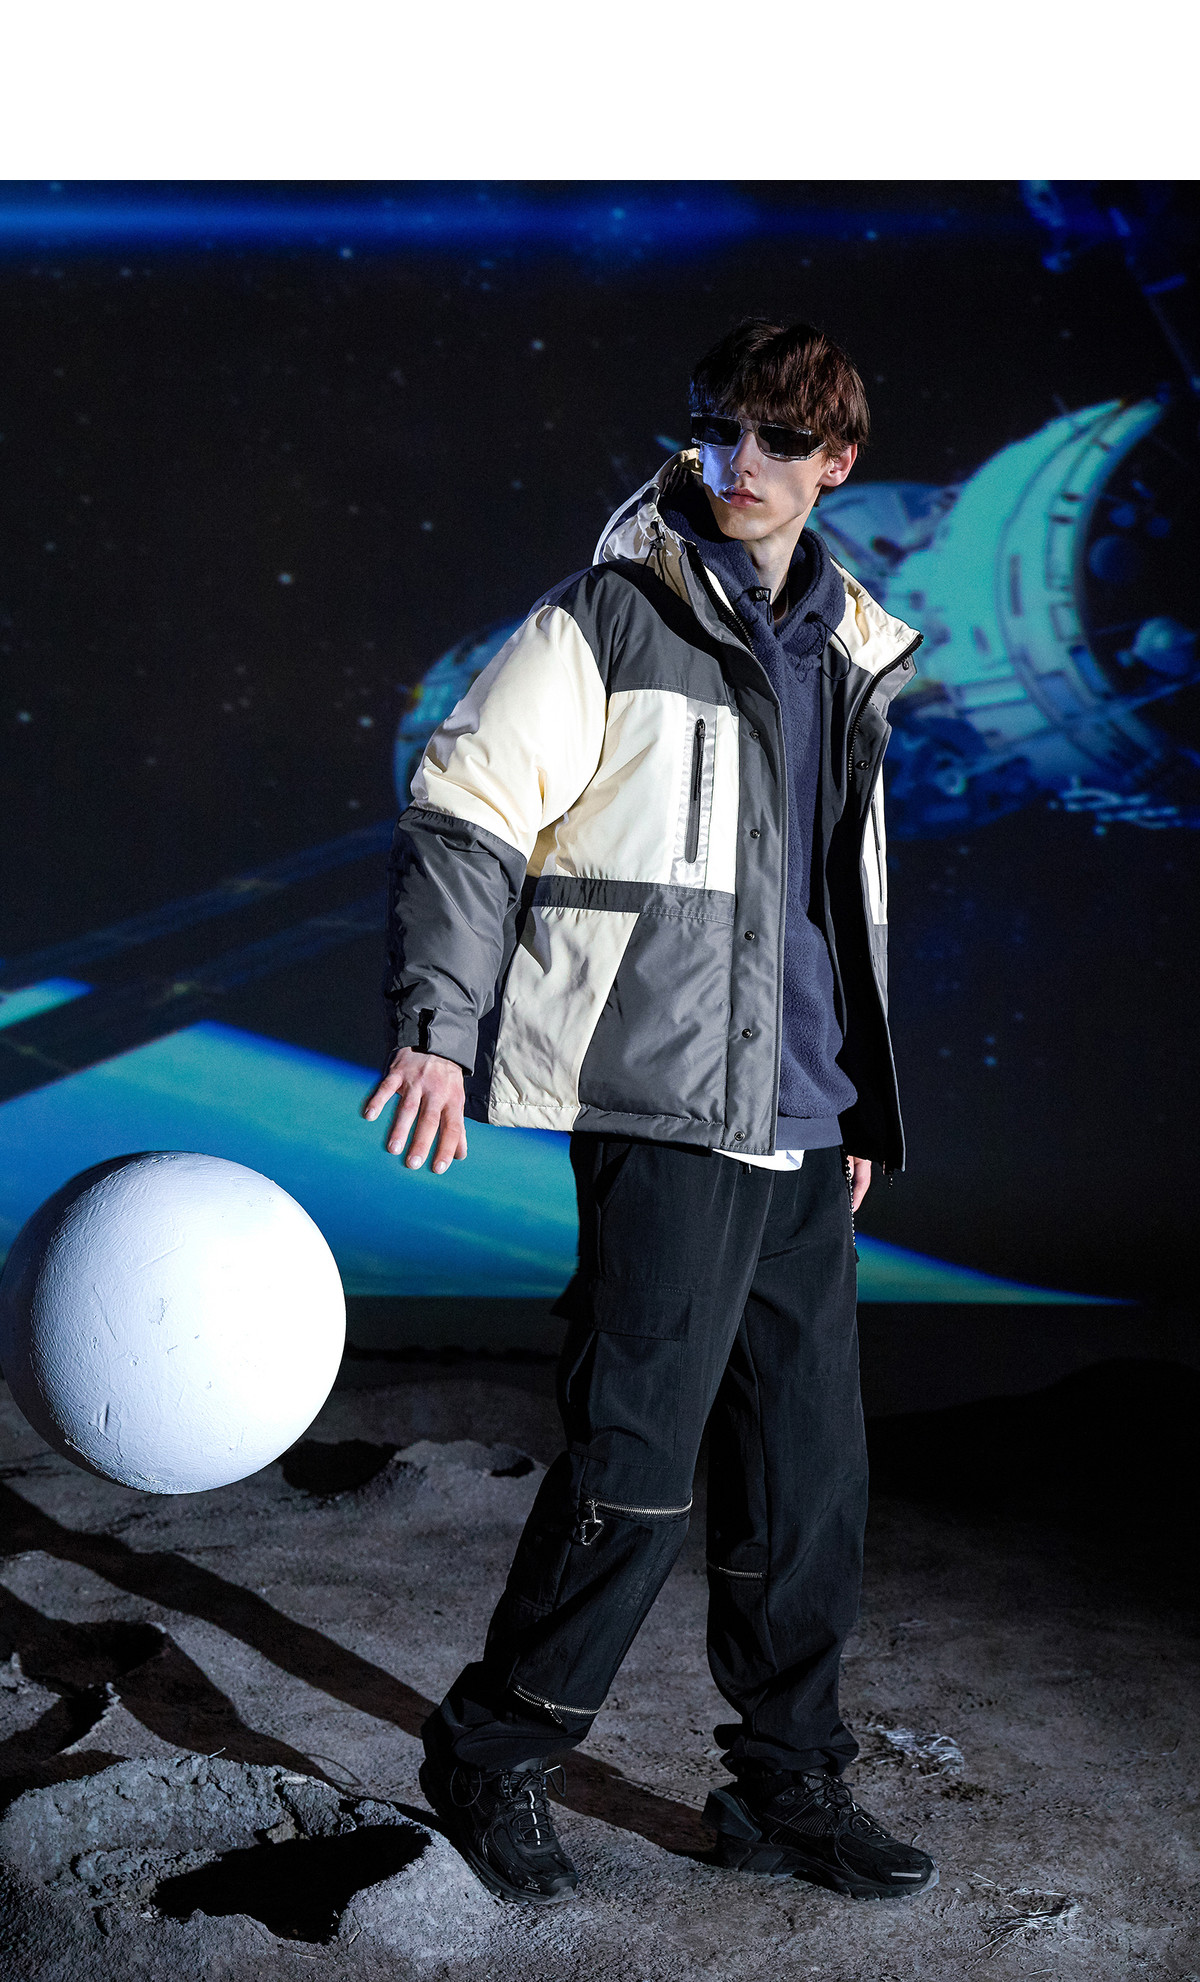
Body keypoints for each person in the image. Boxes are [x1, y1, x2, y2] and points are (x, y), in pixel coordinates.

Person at [363, 317, 935, 1907]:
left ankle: (785, 1781)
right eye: (717, 429)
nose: (739, 464)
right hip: (665, 1106)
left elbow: (828, 901)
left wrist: (857, 1095)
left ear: (836, 462)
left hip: (803, 1115)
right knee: (634, 1466)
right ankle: (495, 1753)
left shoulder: (854, 647)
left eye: (778, 440)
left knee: (807, 1480)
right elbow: (468, 808)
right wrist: (439, 1029)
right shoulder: (609, 612)